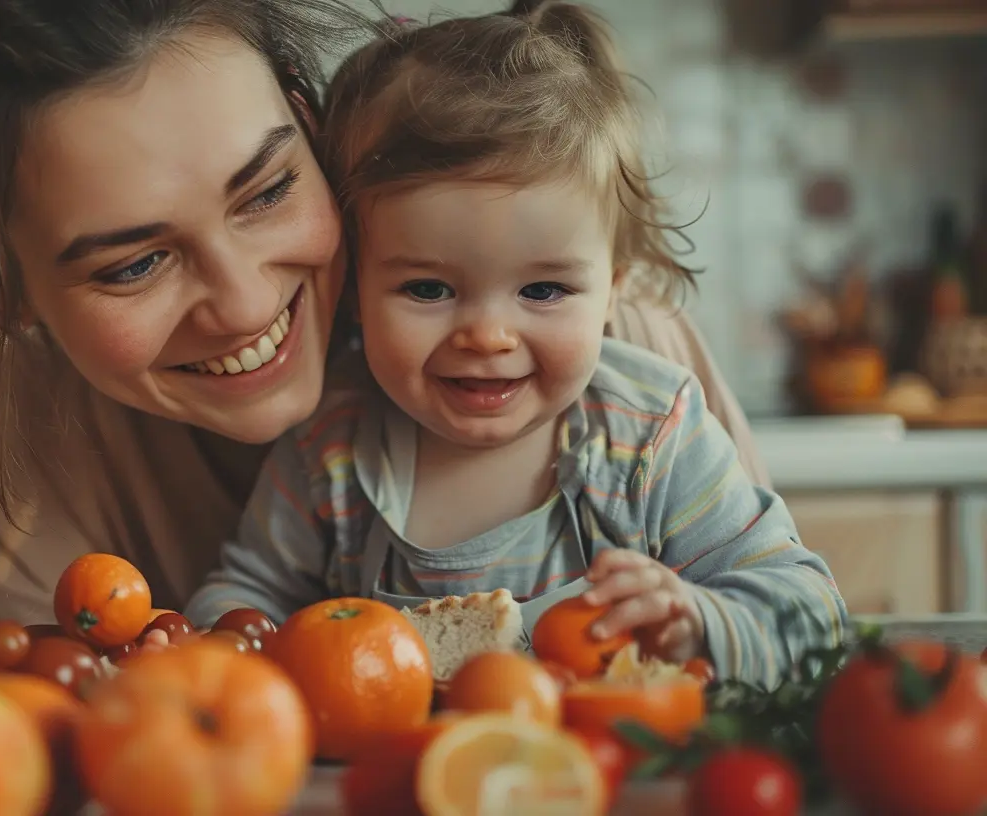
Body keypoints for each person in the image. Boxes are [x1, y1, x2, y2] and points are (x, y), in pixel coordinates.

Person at [0, 0, 771, 634]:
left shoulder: (625, 364)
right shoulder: (6, 503)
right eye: (137, 263)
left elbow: (771, 646)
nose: (244, 304)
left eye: (269, 189)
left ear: (308, 120)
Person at [183, 4, 845, 685]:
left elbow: (811, 614)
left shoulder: (650, 434)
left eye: (544, 291)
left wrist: (700, 617)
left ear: (612, 290)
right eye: (428, 290)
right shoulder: (330, 448)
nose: (488, 337)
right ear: (354, 285)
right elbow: (238, 605)